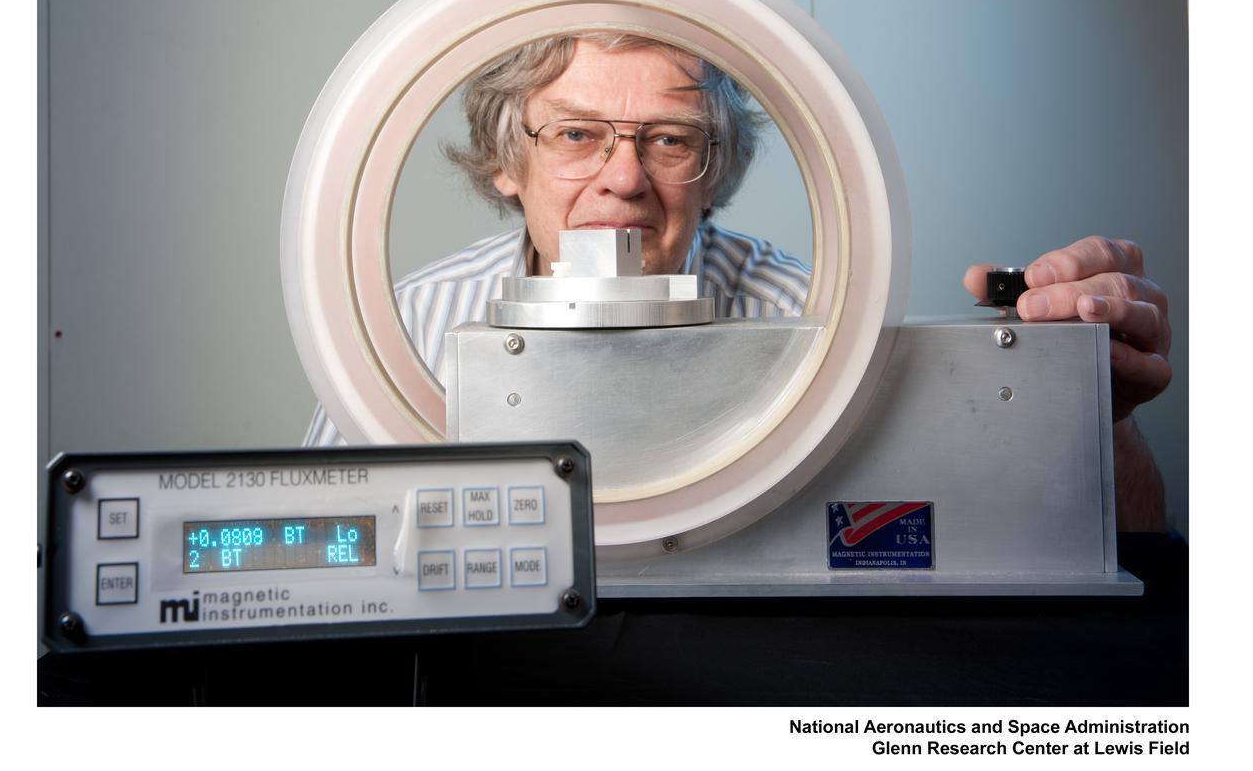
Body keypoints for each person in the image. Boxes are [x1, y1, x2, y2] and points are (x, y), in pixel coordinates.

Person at [306, 33, 1171, 530]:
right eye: (575, 135)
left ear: (716, 169)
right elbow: (323, 561)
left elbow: (1045, 549)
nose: (623, 178)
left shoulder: (817, 317)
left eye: (670, 139)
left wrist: (1094, 420)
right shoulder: (412, 322)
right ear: (506, 161)